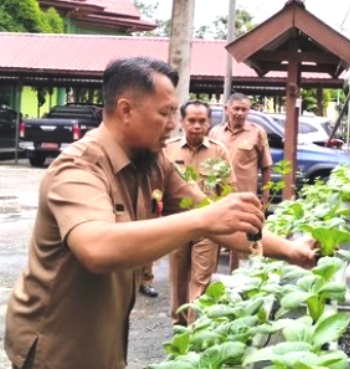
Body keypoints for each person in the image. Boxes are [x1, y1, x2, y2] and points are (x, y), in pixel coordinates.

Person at [4, 57, 315, 369]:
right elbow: (97, 248)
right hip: (56, 347)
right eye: (165, 113)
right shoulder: (78, 168)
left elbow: (218, 221)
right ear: (126, 110)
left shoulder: (153, 161)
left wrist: (292, 250)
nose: (173, 124)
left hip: (104, 341)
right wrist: (203, 221)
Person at [164, 99, 236, 325]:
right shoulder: (168, 149)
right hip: (177, 224)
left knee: (201, 279)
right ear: (182, 122)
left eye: (201, 121)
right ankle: (179, 326)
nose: (196, 126)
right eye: (191, 121)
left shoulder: (218, 150)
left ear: (208, 123)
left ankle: (195, 330)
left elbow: (228, 190)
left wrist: (226, 226)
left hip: (208, 227)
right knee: (178, 279)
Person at [208, 93, 272, 272]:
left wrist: (265, 196)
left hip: (244, 198)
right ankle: (209, 285)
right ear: (227, 109)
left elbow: (266, 166)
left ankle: (237, 284)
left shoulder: (257, 133)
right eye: (236, 108)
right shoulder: (215, 132)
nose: (240, 113)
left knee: (241, 245)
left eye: (244, 109)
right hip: (217, 196)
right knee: (213, 241)